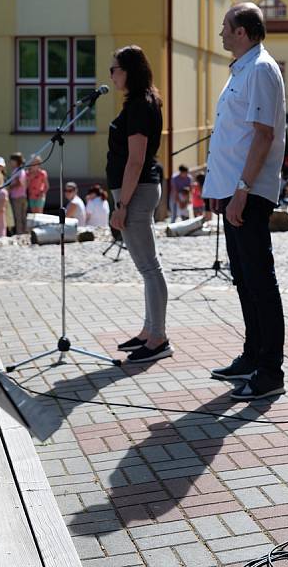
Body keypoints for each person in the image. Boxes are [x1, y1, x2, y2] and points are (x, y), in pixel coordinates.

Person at [203, 2, 286, 401]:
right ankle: (253, 356)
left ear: (242, 32)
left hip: (249, 193)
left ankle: (270, 370)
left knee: (259, 280)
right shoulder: (244, 69)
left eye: (225, 26)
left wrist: (240, 188)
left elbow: (263, 135)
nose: (220, 33)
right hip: (236, 191)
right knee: (245, 280)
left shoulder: (260, 69)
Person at [107, 45, 171, 363]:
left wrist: (122, 205)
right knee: (146, 267)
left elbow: (136, 160)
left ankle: (158, 337)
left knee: (149, 267)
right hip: (136, 190)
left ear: (128, 70)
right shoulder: (139, 103)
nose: (112, 75)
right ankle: (149, 331)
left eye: (114, 68)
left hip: (137, 191)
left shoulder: (140, 106)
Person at [8, 153, 28, 234]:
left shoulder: (17, 171)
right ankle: (24, 231)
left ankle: (20, 232)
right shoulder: (22, 170)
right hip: (23, 195)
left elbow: (18, 182)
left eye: (11, 161)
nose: (10, 163)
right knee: (23, 216)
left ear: (16, 161)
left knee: (18, 216)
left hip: (17, 197)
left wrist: (9, 187)